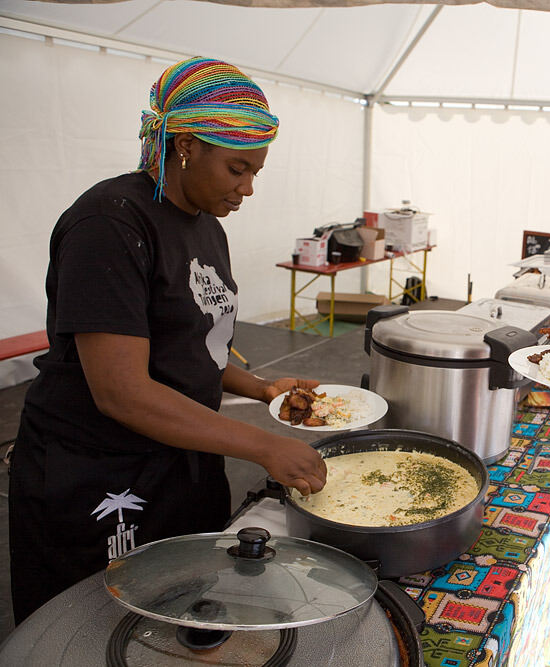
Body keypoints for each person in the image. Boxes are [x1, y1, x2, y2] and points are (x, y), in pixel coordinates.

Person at [8, 57, 328, 623]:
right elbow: (122, 392)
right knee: (89, 627)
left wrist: (260, 388)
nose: (248, 188)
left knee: (179, 615)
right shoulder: (110, 224)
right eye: (236, 168)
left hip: (182, 460)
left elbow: (194, 344)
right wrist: (262, 445)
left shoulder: (208, 225)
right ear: (184, 146)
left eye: (256, 171)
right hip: (101, 476)